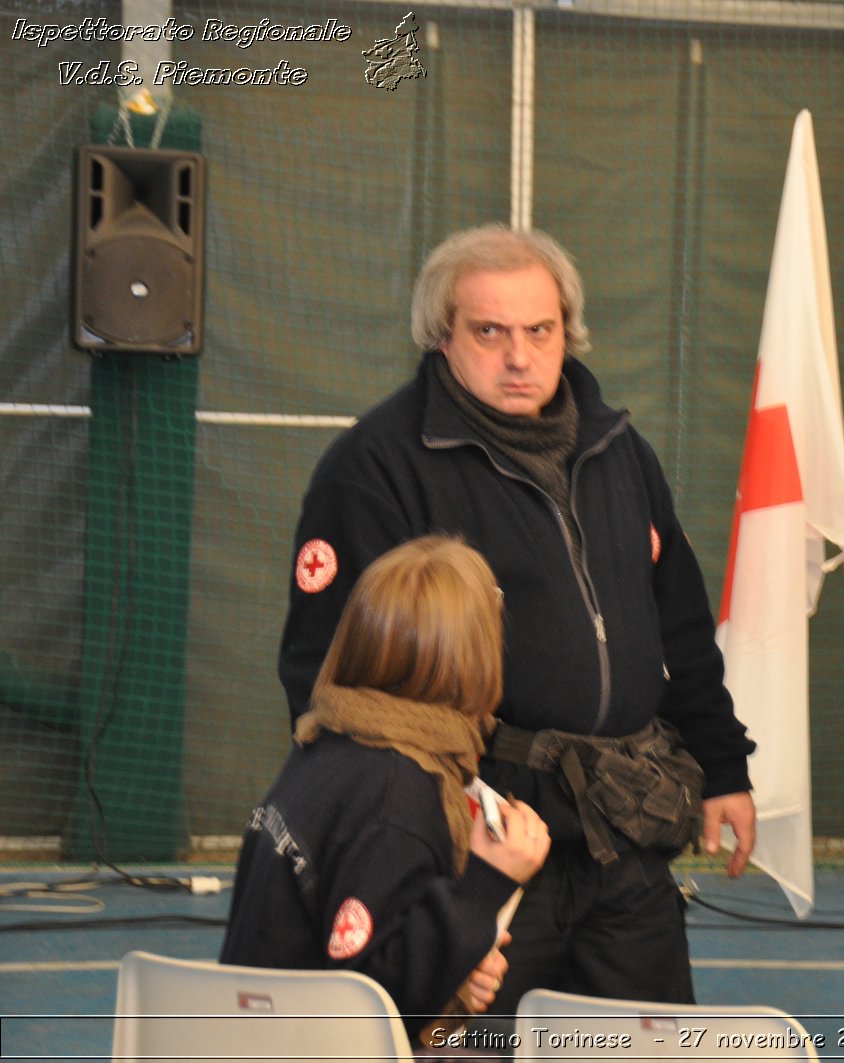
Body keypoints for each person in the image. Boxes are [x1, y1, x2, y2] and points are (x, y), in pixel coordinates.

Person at [277, 225, 757, 1010]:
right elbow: (320, 674)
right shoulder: (376, 465)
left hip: (624, 845)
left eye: (541, 330)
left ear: (568, 331)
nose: (519, 355)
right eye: (489, 331)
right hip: (475, 848)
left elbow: (681, 632)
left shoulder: (621, 452)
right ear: (441, 336)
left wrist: (724, 766)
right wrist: (408, 826)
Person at [222, 536, 550, 1044]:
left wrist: (453, 977)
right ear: (476, 656)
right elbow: (375, 1006)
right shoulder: (396, 791)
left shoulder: (324, 746)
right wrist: (486, 885)